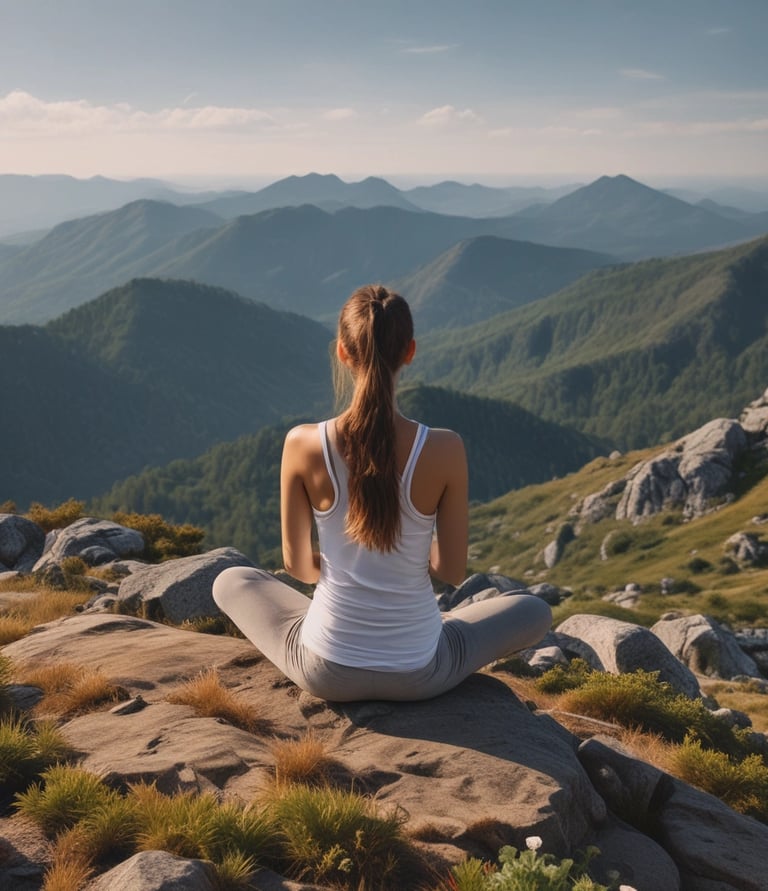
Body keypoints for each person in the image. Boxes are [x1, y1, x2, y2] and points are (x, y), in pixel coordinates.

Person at [212, 284, 551, 701]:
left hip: (325, 670)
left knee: (231, 579)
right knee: (535, 610)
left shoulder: (302, 443)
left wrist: (351, 576)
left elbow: (297, 565)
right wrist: (399, 570)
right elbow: (452, 570)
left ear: (342, 351)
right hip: (420, 672)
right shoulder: (445, 448)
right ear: (409, 352)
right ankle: (415, 624)